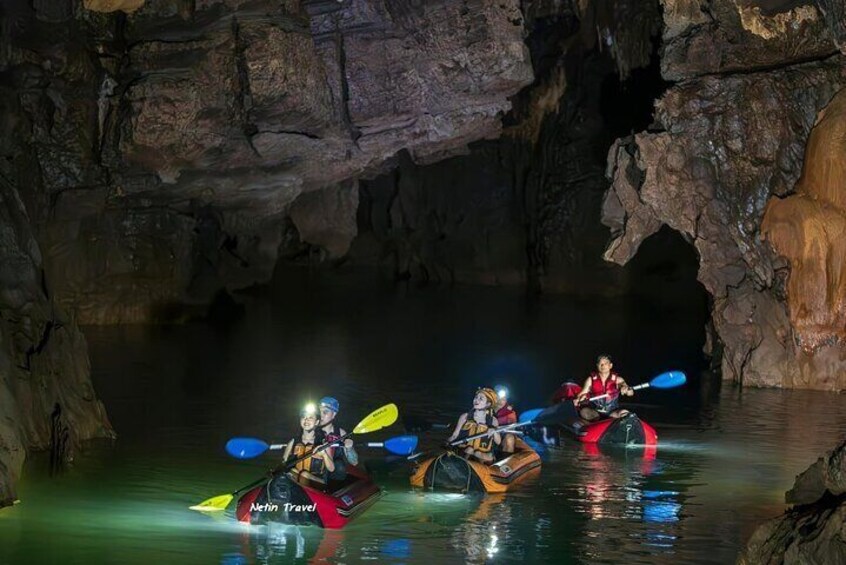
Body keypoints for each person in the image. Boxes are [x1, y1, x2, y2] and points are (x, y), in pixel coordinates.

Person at [282, 403, 335, 488]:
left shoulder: (323, 443)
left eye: (310, 418)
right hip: (299, 479)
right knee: (291, 471)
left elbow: (332, 469)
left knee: (305, 474)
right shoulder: (293, 442)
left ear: (317, 422)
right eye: (303, 417)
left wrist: (324, 454)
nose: (306, 420)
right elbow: (283, 463)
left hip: (318, 482)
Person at [448, 387, 502, 463]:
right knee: (469, 449)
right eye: (476, 397)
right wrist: (448, 443)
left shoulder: (493, 420)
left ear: (488, 404)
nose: (476, 400)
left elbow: (498, 442)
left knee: (477, 453)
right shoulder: (465, 417)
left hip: (483, 454)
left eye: (481, 399)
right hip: (465, 450)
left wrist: (494, 431)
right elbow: (454, 435)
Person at [573, 355, 634, 421]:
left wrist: (626, 389)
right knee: (584, 411)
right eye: (600, 364)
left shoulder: (618, 379)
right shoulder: (590, 379)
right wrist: (579, 398)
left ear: (610, 365)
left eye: (606, 363)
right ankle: (597, 424)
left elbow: (630, 393)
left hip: (612, 411)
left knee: (625, 413)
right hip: (595, 412)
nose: (603, 366)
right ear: (597, 365)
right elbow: (582, 394)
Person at [318, 396, 359, 481]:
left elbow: (354, 462)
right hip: (315, 471)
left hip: (332, 475)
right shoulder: (311, 430)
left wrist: (349, 448)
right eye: (319, 412)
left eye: (325, 412)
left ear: (334, 414)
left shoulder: (341, 434)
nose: (320, 416)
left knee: (339, 465)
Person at [494, 385, 517, 454]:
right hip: (487, 435)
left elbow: (512, 429)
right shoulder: (485, 409)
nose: (500, 401)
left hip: (502, 436)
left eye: (503, 399)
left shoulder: (510, 413)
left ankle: (505, 460)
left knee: (509, 438)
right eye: (497, 398)